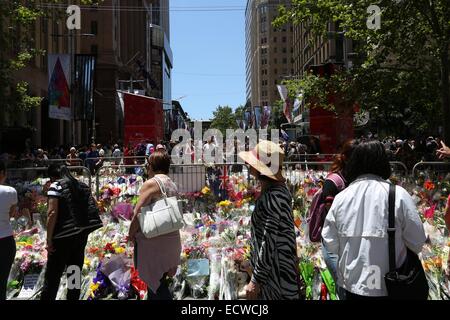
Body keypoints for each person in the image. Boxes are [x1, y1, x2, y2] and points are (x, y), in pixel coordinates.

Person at [322, 140, 427, 300]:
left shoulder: (341, 198)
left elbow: (330, 242)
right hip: (393, 286)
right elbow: (417, 241)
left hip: (353, 286)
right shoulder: (397, 194)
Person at [238, 141, 301, 300]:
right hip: (277, 272)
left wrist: (256, 280)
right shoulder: (277, 192)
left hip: (275, 277)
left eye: (252, 162)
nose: (247, 164)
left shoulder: (273, 197)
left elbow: (268, 241)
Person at [41, 166, 102, 300]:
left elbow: (51, 213)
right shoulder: (81, 185)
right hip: (80, 237)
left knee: (53, 276)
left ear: (52, 177)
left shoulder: (56, 186)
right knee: (74, 272)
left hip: (62, 237)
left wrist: (49, 239)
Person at [128, 151, 181, 300]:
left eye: (147, 164)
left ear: (151, 166)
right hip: (170, 239)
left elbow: (138, 212)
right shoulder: (171, 183)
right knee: (158, 282)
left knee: (156, 285)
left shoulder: (152, 183)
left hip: (153, 242)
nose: (146, 168)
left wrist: (131, 233)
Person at [317, 140, 356, 299]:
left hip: (349, 242)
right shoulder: (334, 180)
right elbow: (331, 212)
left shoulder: (354, 178)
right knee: (343, 286)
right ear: (347, 158)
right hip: (334, 243)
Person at [0, 161, 17, 300]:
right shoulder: (10, 191)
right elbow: (11, 214)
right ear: (2, 173)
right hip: (5, 239)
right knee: (2, 280)